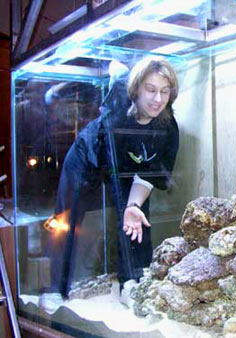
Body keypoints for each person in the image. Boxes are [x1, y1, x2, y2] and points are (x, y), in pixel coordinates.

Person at [43, 57, 180, 301]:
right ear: (136, 89)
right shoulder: (119, 107)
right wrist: (117, 70)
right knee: (67, 220)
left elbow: (148, 177)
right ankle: (57, 289)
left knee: (135, 217)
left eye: (164, 91)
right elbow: (118, 75)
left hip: (127, 166)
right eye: (150, 90)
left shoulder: (168, 130)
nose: (157, 99)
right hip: (88, 157)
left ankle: (133, 284)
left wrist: (133, 205)